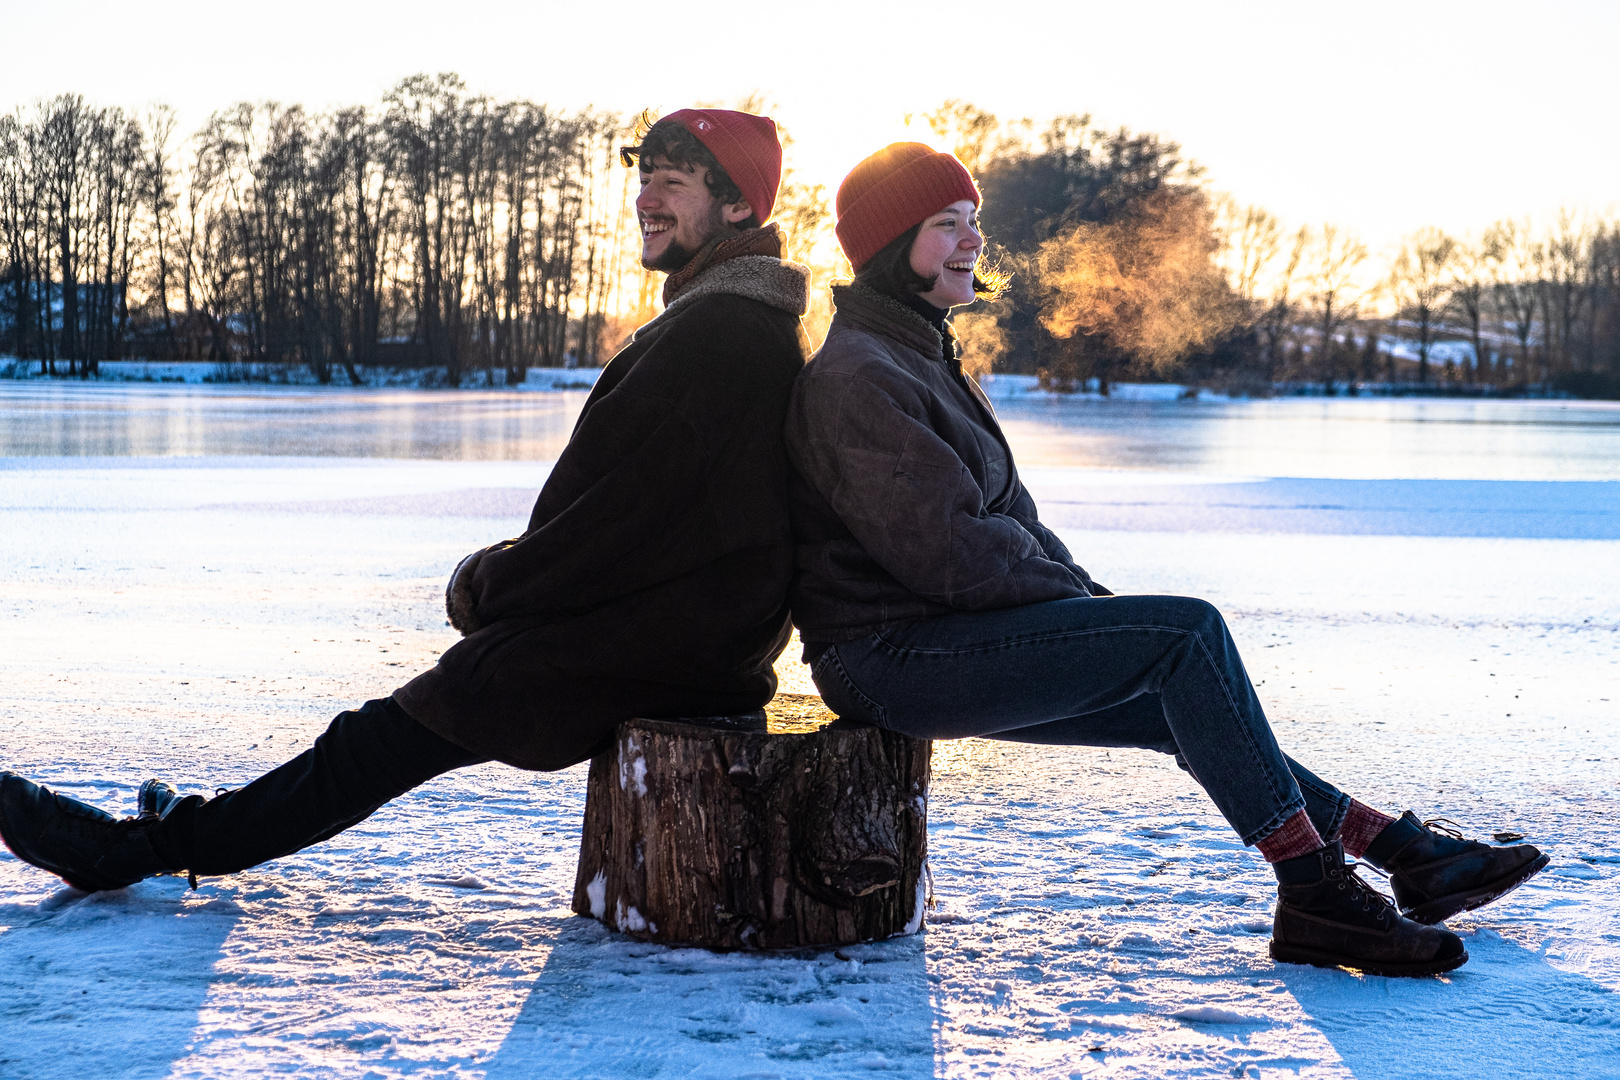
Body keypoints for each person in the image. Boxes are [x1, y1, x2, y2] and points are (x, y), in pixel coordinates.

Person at [782, 142, 1548, 977]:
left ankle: (1401, 853)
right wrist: (1093, 616)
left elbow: (1015, 526)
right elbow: (954, 554)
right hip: (888, 659)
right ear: (890, 245)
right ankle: (1316, 895)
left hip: (938, 638)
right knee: (1186, 637)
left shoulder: (920, 356)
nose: (971, 242)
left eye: (974, 223)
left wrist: (1087, 605)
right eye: (946, 226)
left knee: (1184, 697)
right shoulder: (859, 375)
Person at [0, 108, 812, 895]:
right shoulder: (729, 320)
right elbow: (637, 518)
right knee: (387, 732)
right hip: (674, 629)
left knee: (377, 739)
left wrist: (489, 587)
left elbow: (613, 525)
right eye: (644, 179)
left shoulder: (722, 335)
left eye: (672, 181)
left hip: (661, 646)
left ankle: (138, 851)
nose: (645, 199)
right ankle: (182, 834)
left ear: (738, 204)